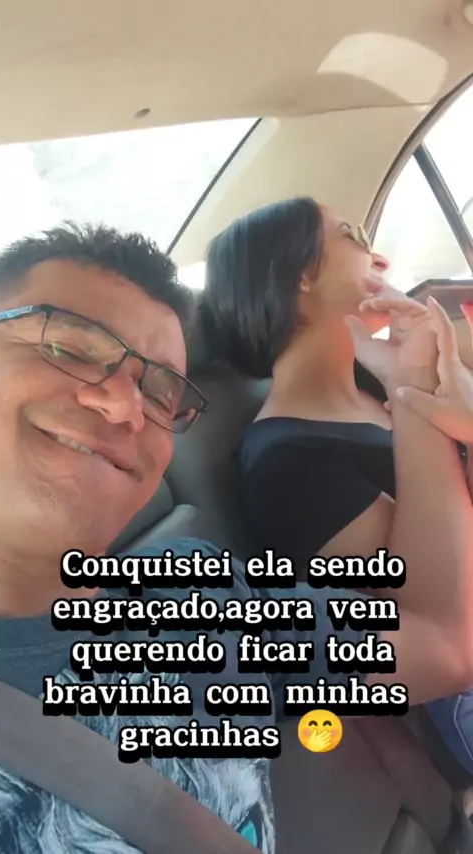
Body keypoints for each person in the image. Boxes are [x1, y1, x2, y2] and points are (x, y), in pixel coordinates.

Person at [0, 221, 471, 854]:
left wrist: (415, 389)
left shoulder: (194, 590)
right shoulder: (288, 455)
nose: (125, 407)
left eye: (161, 391)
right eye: (71, 347)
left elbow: (445, 642)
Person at [200, 196, 473, 776]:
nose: (381, 257)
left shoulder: (371, 389)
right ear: (300, 272)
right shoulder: (286, 462)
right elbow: (439, 622)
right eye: (352, 235)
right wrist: (414, 387)